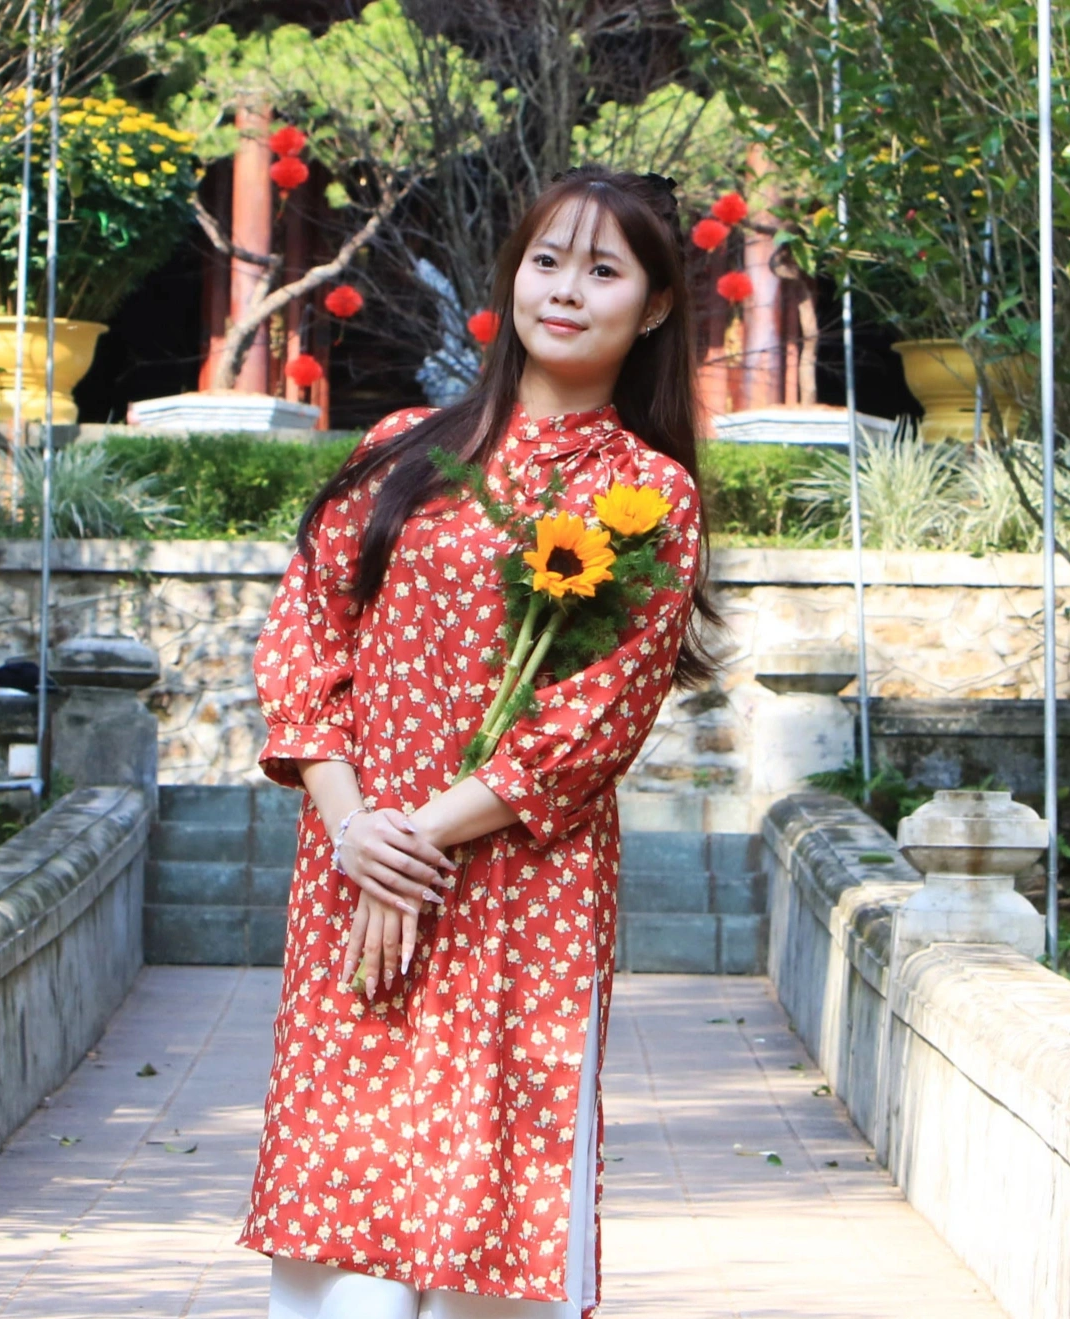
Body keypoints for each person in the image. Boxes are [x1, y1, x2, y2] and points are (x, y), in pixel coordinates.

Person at [242, 165, 719, 1319]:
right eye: (547, 259)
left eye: (602, 270)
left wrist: (416, 838)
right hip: (352, 873)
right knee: (336, 1223)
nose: (565, 290)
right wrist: (357, 828)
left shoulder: (644, 494)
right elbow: (306, 633)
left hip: (519, 894)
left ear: (651, 306)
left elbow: (588, 719)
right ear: (511, 275)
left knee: (490, 1226)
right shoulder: (407, 442)